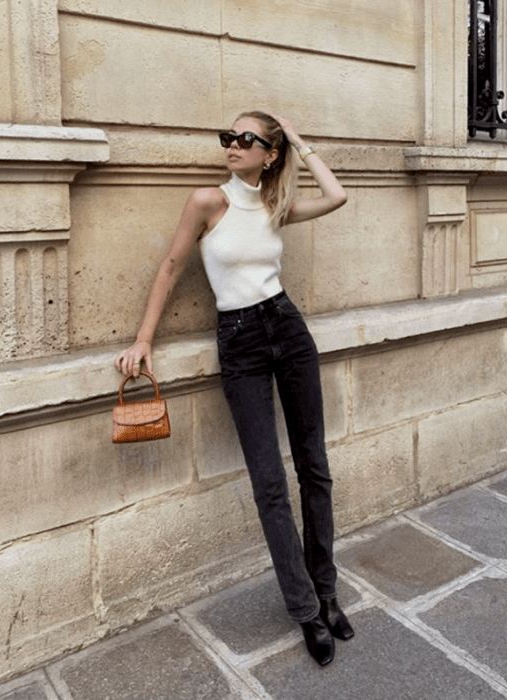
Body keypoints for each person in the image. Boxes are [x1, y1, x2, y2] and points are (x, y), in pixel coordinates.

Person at [115, 111, 352, 666]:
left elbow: (337, 197)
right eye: (228, 136)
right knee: (269, 483)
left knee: (314, 466)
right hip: (240, 338)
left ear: (268, 154)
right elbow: (172, 265)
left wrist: (298, 140)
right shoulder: (207, 202)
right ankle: (305, 612)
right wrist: (144, 339)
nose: (232, 145)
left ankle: (328, 590)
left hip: (287, 329)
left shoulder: (274, 205)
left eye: (246, 139)